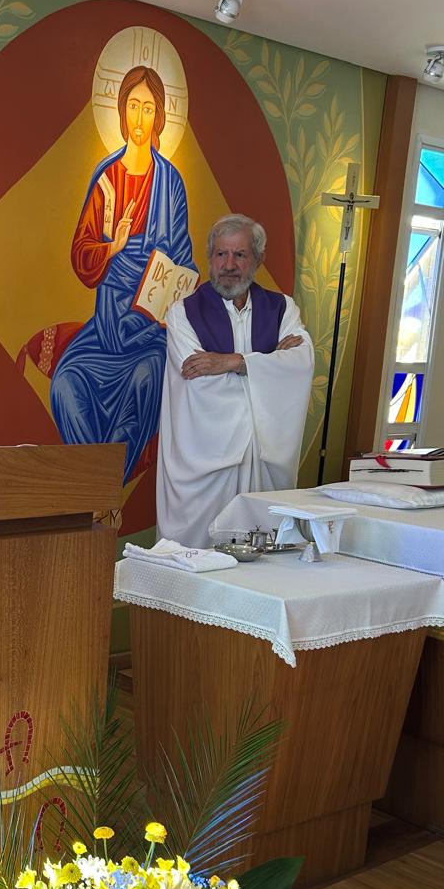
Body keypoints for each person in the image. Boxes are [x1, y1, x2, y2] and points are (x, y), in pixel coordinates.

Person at [50, 65, 195, 478]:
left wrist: (170, 297)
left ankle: (105, 485)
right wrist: (113, 247)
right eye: (133, 105)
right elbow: (81, 253)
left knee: (147, 380)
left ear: (159, 116)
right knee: (65, 383)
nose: (139, 118)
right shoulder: (107, 179)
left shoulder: (171, 182)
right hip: (106, 326)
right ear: (120, 110)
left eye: (148, 108)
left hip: (149, 333)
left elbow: (184, 261)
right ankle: (91, 481)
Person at [156, 213, 314, 548]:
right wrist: (268, 367)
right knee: (196, 555)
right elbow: (197, 380)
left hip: (263, 461)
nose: (229, 265)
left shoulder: (281, 309)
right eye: (221, 254)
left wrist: (233, 362)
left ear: (258, 259)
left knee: (262, 556)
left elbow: (301, 363)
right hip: (206, 462)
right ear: (209, 258)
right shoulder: (183, 313)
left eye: (240, 255)